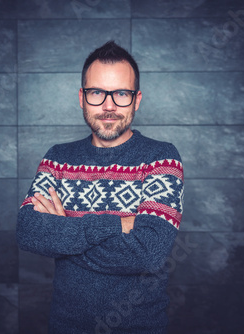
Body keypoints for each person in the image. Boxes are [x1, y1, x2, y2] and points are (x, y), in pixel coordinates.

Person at [16, 40, 184, 334]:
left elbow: (149, 253)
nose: (109, 106)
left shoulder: (161, 157)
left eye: (121, 93)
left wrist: (64, 230)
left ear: (137, 99)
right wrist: (117, 225)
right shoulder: (58, 158)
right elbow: (28, 231)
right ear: (82, 97)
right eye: (97, 93)